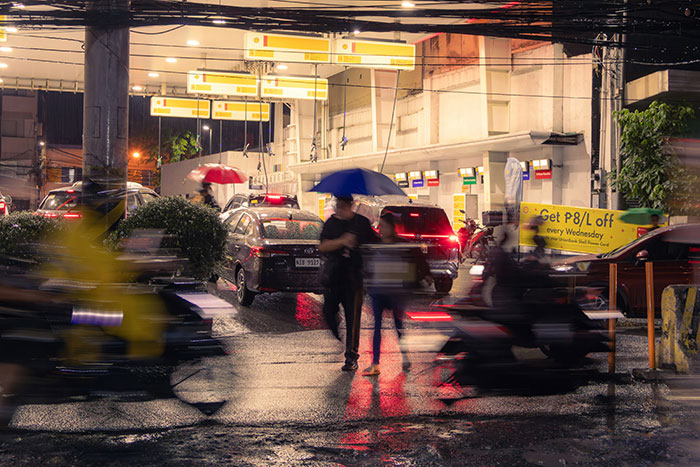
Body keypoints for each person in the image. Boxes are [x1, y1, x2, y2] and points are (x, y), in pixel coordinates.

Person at [363, 212, 432, 377]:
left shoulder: (402, 244)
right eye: (380, 226)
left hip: (395, 292)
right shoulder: (375, 244)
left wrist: (426, 274)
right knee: (377, 327)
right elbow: (367, 264)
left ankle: (405, 355)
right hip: (378, 291)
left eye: (384, 226)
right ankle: (375, 363)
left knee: (398, 325)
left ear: (392, 228)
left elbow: (418, 259)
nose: (381, 229)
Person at [319, 195, 377, 372]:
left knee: (353, 318)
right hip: (334, 277)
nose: (339, 208)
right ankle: (335, 324)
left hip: (354, 279)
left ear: (351, 205)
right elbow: (322, 246)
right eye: (337, 205)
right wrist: (342, 241)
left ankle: (351, 357)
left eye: (343, 205)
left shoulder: (361, 223)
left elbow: (375, 244)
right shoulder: (331, 224)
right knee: (328, 310)